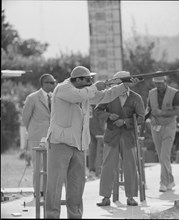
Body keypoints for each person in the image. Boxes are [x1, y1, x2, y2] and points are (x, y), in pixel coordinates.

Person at [45, 66, 140, 218]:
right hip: (60, 143)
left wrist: (124, 86)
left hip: (80, 144)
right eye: (88, 79)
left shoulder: (85, 92)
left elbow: (105, 96)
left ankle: (75, 216)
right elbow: (78, 95)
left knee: (76, 187)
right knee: (55, 185)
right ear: (78, 79)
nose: (91, 81)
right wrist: (96, 87)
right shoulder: (63, 89)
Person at [95, 71, 145, 207]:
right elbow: (98, 111)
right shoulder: (108, 96)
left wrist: (125, 122)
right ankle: (105, 197)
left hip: (128, 137)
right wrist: (109, 115)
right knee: (107, 166)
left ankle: (131, 197)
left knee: (130, 166)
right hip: (111, 136)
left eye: (121, 83)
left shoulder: (136, 98)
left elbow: (141, 117)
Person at [22, 73, 56, 197]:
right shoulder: (32, 98)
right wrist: (32, 131)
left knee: (50, 164)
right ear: (44, 84)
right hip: (36, 135)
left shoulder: (55, 97)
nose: (54, 84)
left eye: (54, 82)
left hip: (52, 136)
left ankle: (47, 190)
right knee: (38, 164)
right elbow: (25, 117)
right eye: (51, 82)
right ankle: (38, 190)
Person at [145, 75, 179, 192]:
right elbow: (148, 109)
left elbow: (178, 111)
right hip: (155, 126)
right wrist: (150, 117)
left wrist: (162, 113)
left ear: (165, 82)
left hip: (169, 126)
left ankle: (163, 182)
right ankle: (170, 180)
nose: (158, 86)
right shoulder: (151, 93)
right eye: (156, 83)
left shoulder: (174, 93)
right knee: (162, 155)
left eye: (160, 83)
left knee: (164, 155)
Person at [88, 104, 106, 177]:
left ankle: (93, 169)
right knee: (100, 150)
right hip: (98, 129)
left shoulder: (90, 102)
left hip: (90, 127)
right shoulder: (98, 103)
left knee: (93, 149)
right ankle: (97, 169)